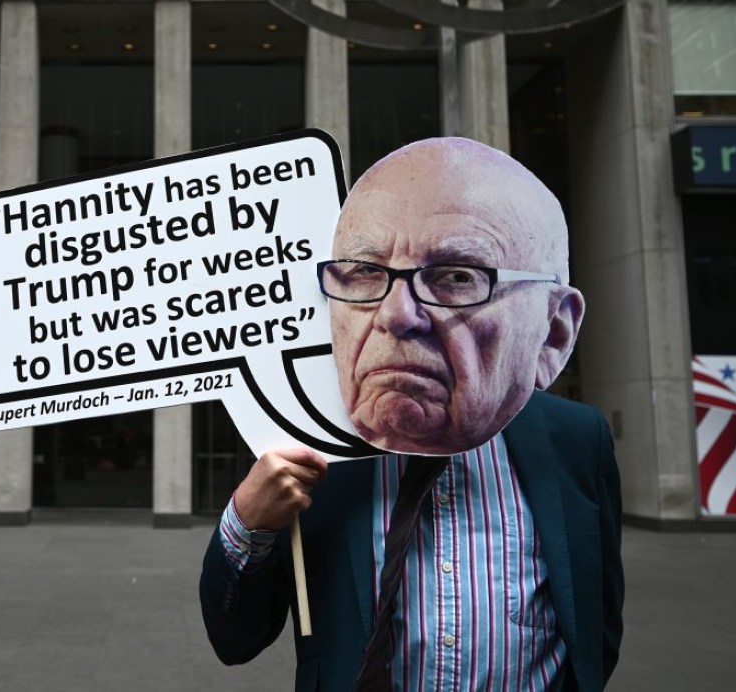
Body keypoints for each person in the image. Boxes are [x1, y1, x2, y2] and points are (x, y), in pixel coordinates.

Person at [199, 138, 623, 690]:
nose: (397, 316)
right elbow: (236, 639)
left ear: (554, 332)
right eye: (364, 274)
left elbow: (594, 622)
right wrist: (249, 521)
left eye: (457, 277)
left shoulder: (577, 440)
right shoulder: (308, 446)